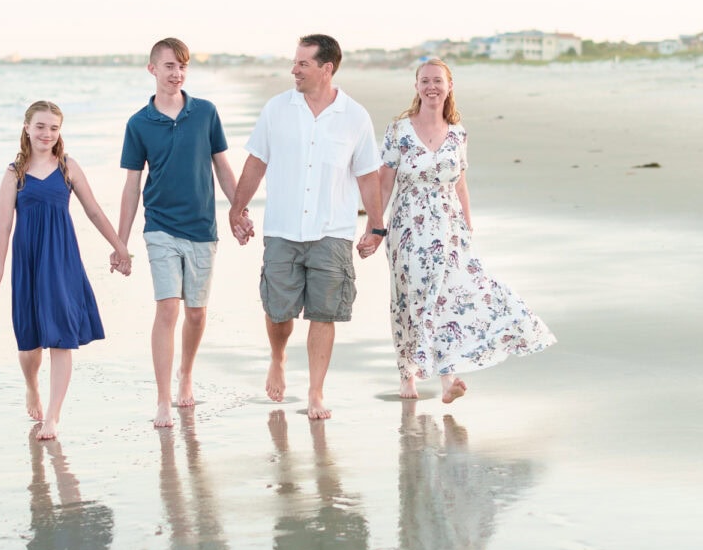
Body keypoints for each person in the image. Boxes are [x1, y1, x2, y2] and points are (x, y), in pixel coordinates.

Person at [378, 58, 556, 403]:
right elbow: (384, 184)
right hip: (408, 228)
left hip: (449, 228)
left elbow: (461, 184)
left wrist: (468, 225)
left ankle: (448, 379)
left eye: (438, 81)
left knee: (449, 297)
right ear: (416, 86)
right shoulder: (398, 130)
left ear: (449, 86)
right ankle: (407, 374)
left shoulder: (458, 132)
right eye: (425, 81)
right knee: (411, 299)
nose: (432, 87)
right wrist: (375, 227)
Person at [228, 34, 385, 420]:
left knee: (324, 312)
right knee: (278, 310)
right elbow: (255, 162)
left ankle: (316, 392)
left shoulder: (354, 116)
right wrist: (238, 209)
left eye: (303, 63)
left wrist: (376, 227)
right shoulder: (277, 109)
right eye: (295, 62)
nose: (294, 70)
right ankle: (278, 357)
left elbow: (368, 176)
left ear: (326, 68)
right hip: (282, 227)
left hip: (332, 230)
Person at [116, 37, 250, 428]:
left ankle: (186, 374)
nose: (176, 73)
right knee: (168, 307)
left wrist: (237, 210)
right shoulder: (139, 123)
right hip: (160, 226)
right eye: (169, 65)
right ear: (152, 69)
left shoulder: (205, 113)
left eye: (182, 67)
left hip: (202, 228)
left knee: (195, 312)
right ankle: (161, 399)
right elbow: (131, 186)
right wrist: (120, 242)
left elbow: (222, 167)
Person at [0, 100, 131, 440]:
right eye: (40, 126)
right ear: (26, 128)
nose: (46, 133)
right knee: (29, 343)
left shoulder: (68, 166)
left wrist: (119, 246)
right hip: (28, 259)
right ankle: (32, 385)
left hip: (61, 258)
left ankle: (53, 416)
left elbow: (93, 210)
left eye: (53, 127)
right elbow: (3, 227)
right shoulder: (13, 173)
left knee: (61, 336)